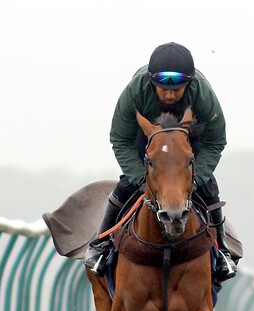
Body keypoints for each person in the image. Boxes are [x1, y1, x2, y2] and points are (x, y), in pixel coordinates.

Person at [84, 42, 236, 282]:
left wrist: (195, 179)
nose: (170, 95)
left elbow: (216, 141)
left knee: (210, 190)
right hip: (146, 143)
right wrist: (141, 178)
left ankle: (223, 252)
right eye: (163, 89)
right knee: (125, 186)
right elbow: (120, 138)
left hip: (189, 145)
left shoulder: (203, 94)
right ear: (151, 81)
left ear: (190, 83)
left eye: (178, 89)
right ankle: (100, 245)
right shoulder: (135, 91)